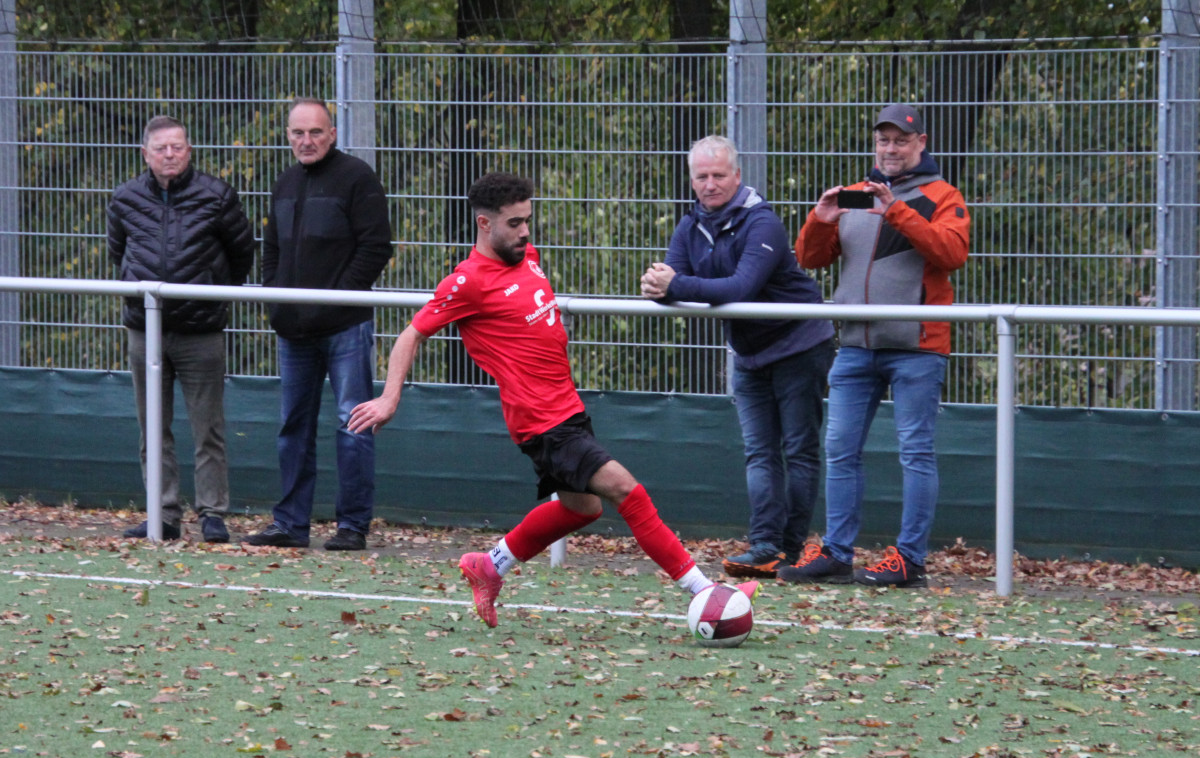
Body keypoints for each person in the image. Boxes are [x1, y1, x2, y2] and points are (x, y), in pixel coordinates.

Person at [348, 172, 757, 627]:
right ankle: (706, 591)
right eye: (514, 223)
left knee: (584, 508)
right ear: (484, 224)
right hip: (542, 424)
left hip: (568, 410)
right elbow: (411, 335)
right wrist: (389, 398)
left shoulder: (527, 257)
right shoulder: (467, 282)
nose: (525, 231)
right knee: (627, 491)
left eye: (528, 220)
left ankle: (489, 566)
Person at [784, 103, 970, 588]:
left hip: (917, 347)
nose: (891, 149)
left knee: (916, 452)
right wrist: (821, 218)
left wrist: (897, 211)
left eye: (901, 141)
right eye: (883, 140)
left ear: (920, 143)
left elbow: (952, 253)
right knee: (839, 450)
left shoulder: (943, 196)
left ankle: (910, 560)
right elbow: (809, 258)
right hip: (855, 347)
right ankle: (836, 554)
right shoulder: (856, 195)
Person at [641, 135, 835, 579]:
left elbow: (739, 289)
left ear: (737, 176)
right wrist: (659, 285)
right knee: (759, 452)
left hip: (801, 345)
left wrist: (674, 285)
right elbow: (671, 280)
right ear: (692, 180)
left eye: (718, 175)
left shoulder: (762, 222)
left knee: (798, 450)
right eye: (701, 177)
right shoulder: (690, 225)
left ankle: (789, 548)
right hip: (749, 354)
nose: (710, 185)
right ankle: (764, 546)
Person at [245, 97, 394, 552]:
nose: (306, 141)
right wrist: (275, 298)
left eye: (315, 132)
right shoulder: (284, 183)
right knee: (293, 426)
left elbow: (376, 246)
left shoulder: (358, 178)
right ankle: (290, 524)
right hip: (292, 331)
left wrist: (336, 299)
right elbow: (271, 249)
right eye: (298, 133)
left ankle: (352, 526)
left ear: (332, 133)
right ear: (288, 137)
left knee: (353, 424)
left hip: (345, 328)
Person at [107, 115, 254, 543]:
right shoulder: (125, 199)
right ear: (145, 154)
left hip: (201, 331)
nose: (170, 155)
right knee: (152, 427)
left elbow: (241, 254)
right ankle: (163, 514)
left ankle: (212, 513)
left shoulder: (217, 196)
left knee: (209, 428)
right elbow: (119, 253)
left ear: (189, 150)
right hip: (144, 330)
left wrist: (211, 296)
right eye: (161, 148)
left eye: (177, 147)